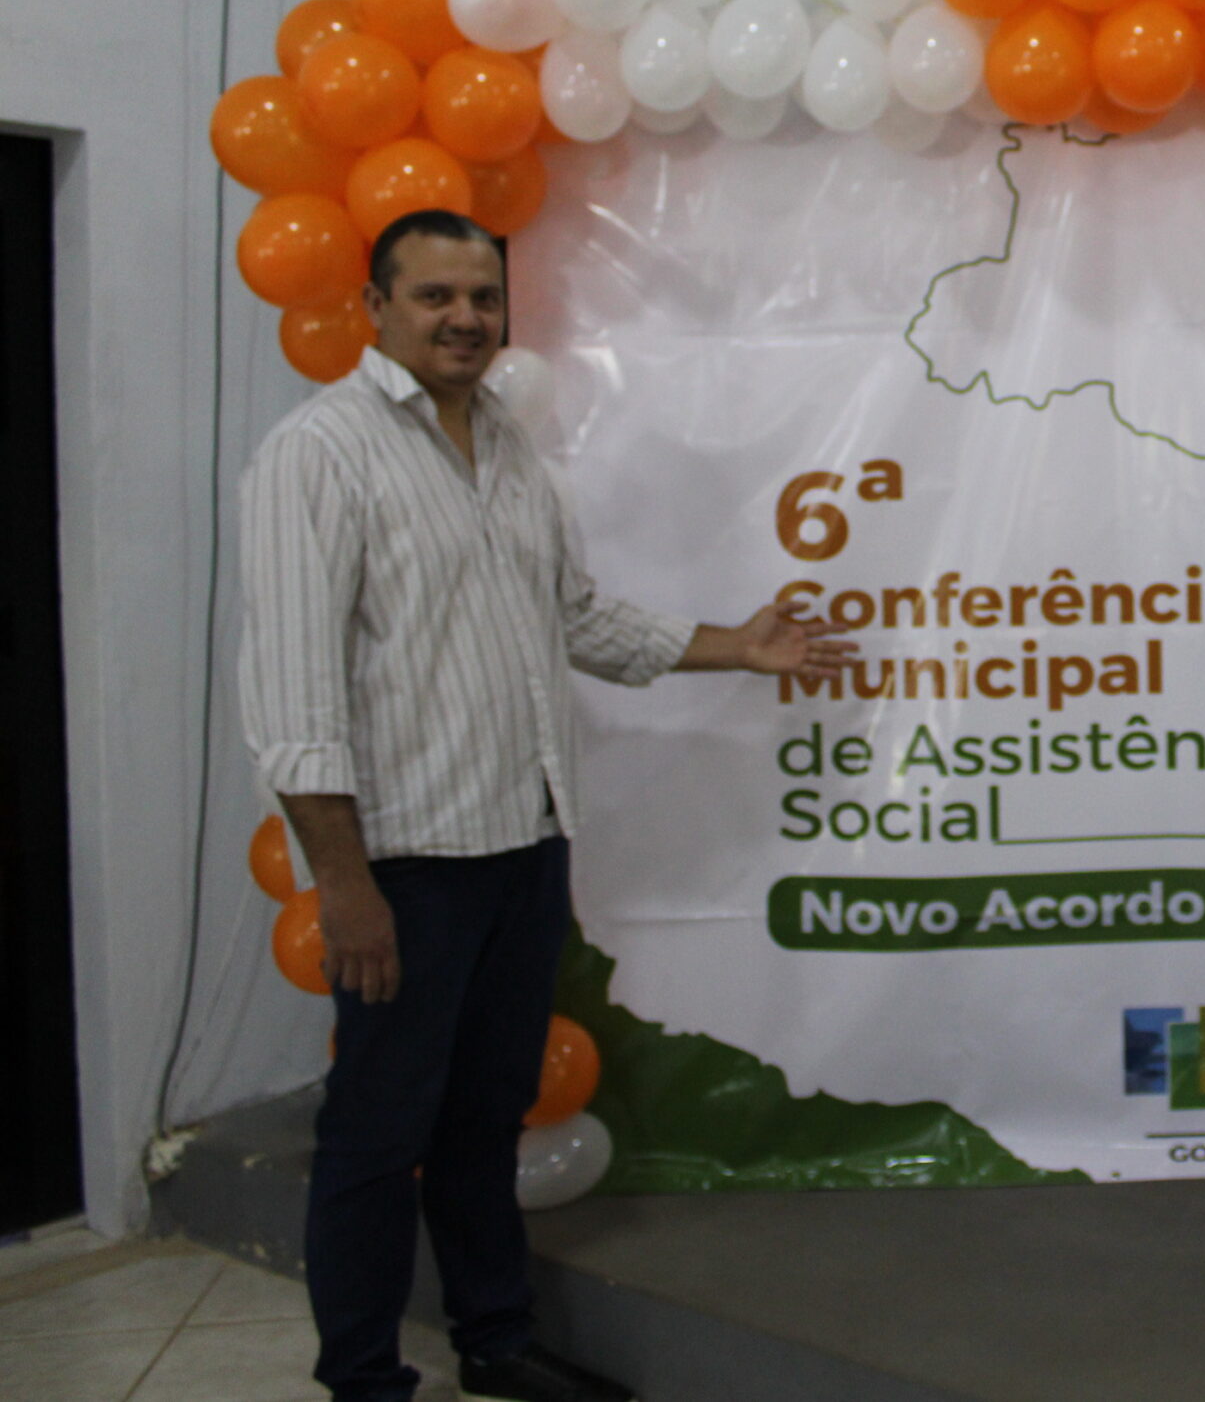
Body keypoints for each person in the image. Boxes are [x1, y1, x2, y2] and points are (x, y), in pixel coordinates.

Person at [240, 209, 852, 1402]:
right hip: (405, 865)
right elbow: (294, 698)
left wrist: (737, 645)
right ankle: (362, 1378)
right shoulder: (318, 454)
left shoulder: (508, 448)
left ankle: (493, 1340)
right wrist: (345, 885)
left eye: (482, 298)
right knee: (377, 1135)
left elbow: (573, 618)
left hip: (522, 846)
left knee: (485, 1119)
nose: (464, 319)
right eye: (434, 296)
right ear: (375, 308)